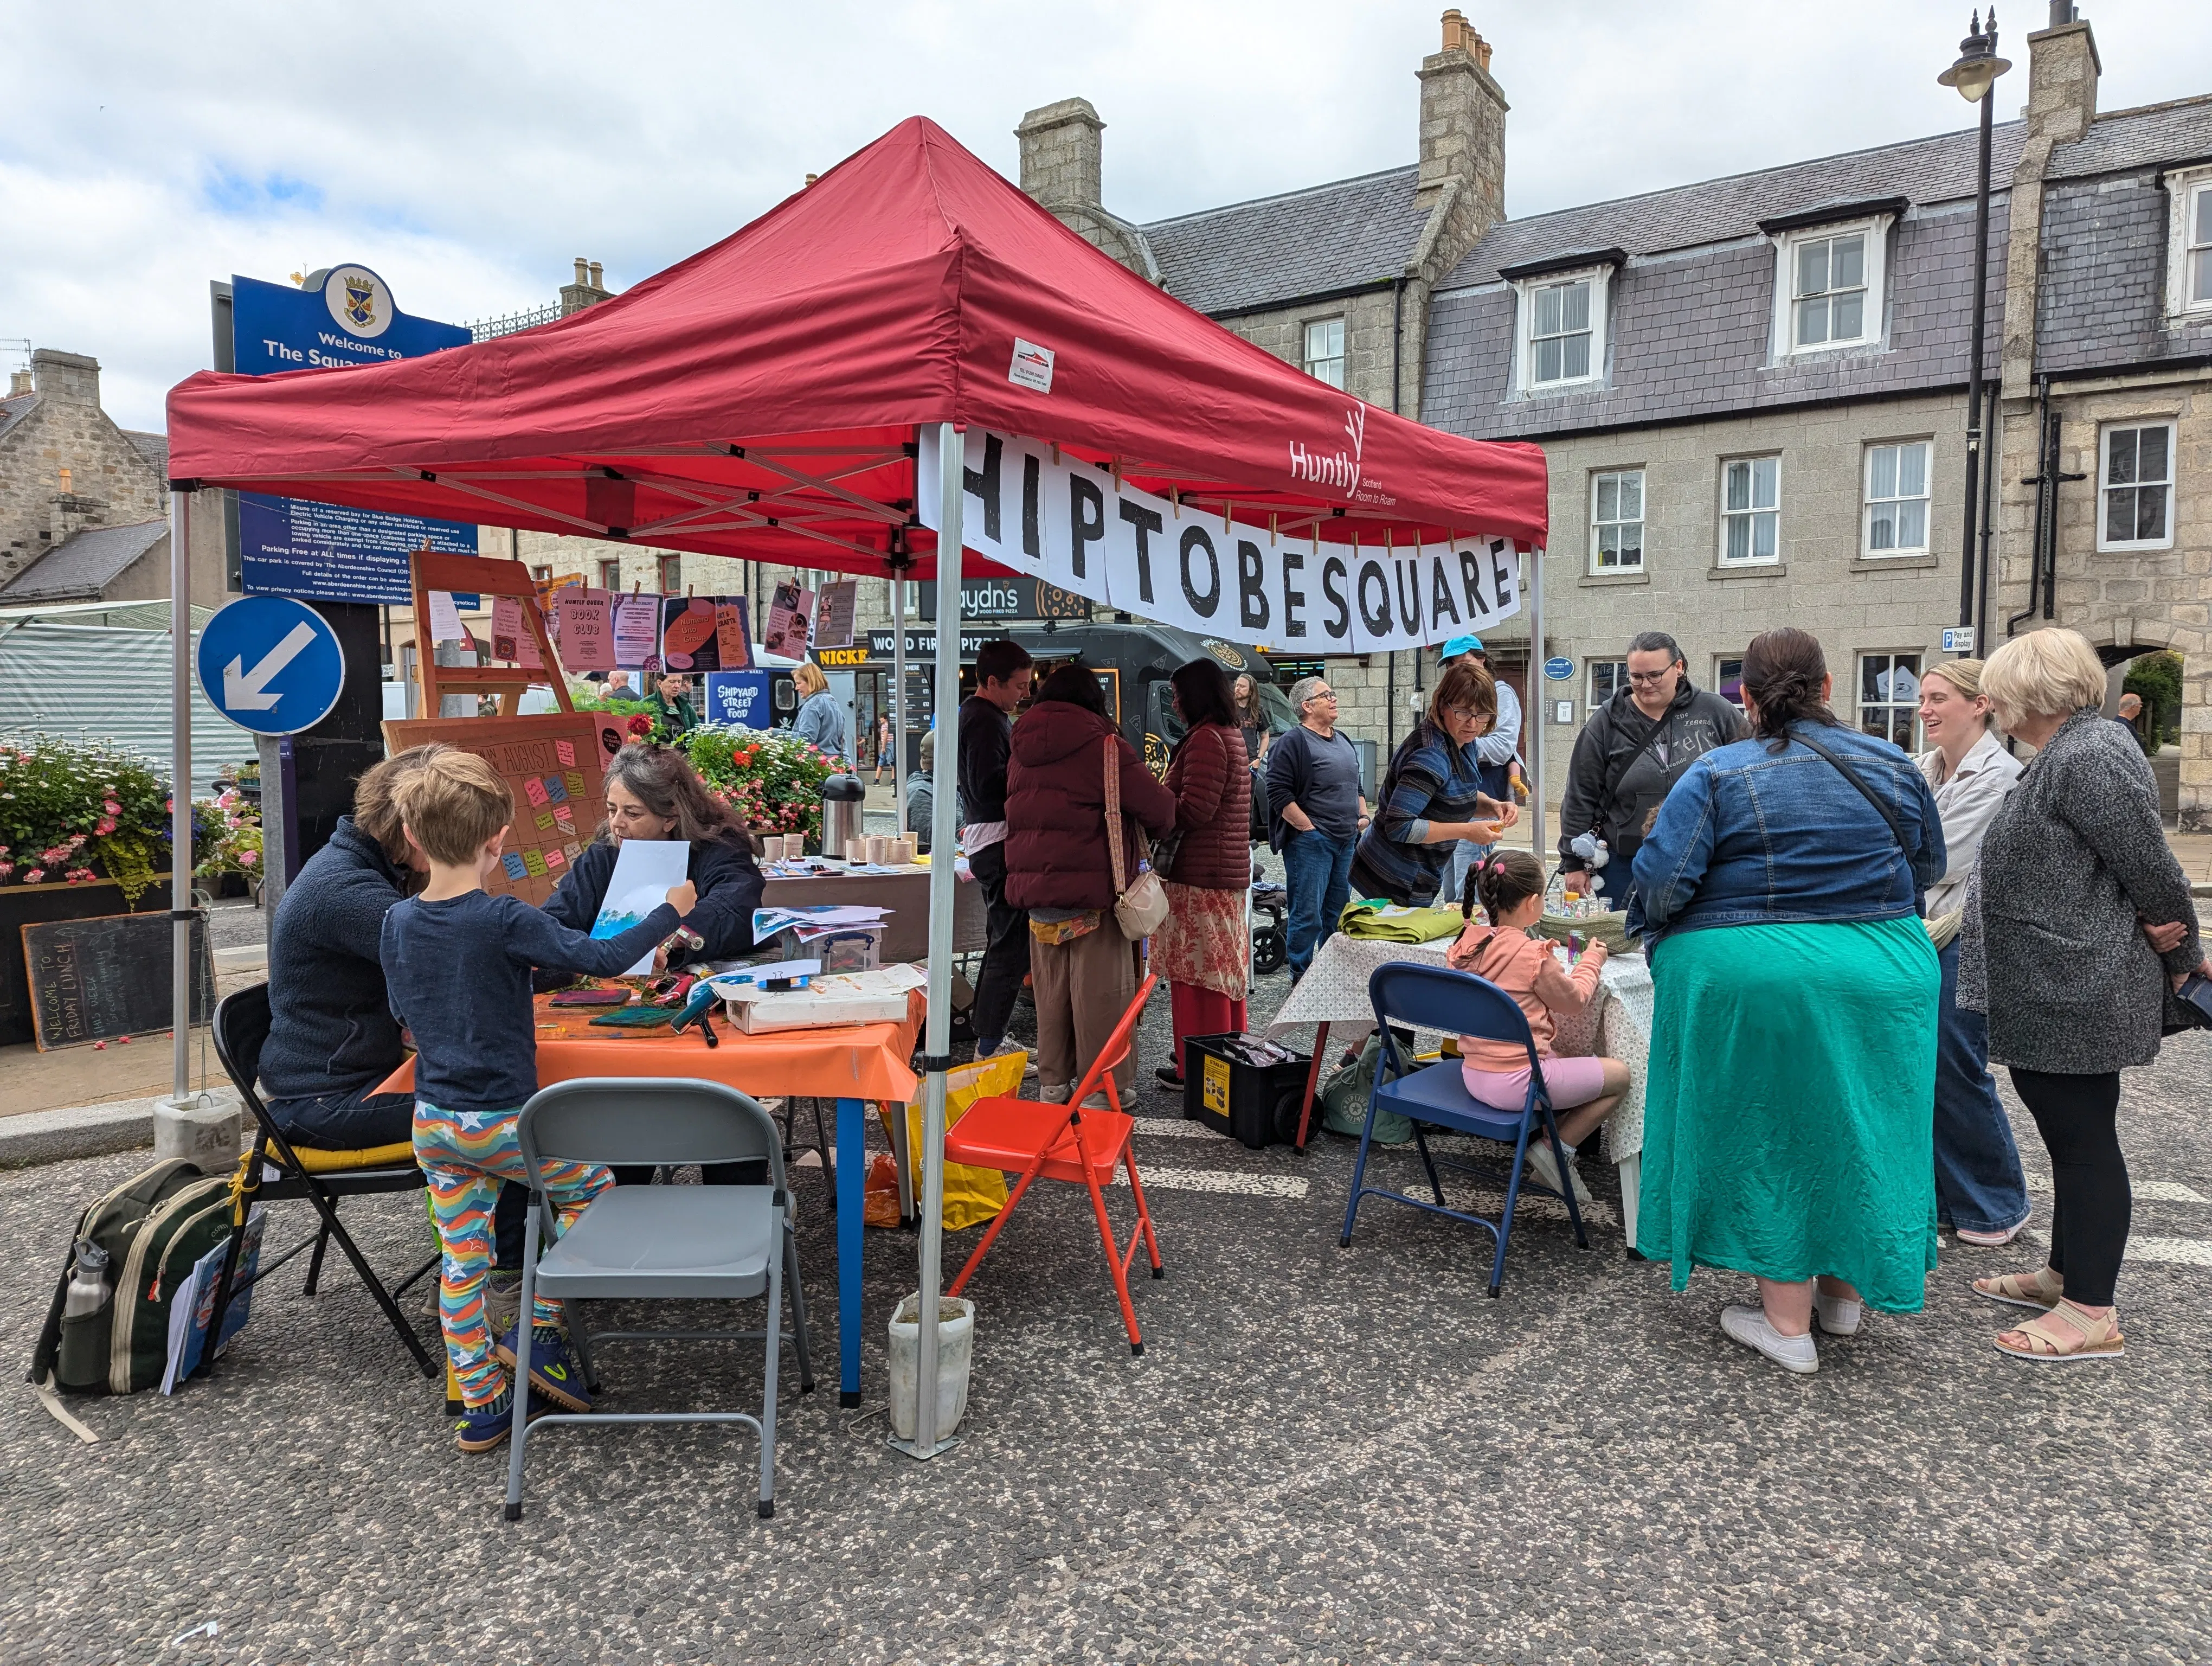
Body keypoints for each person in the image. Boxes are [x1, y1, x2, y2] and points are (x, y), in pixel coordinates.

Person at [1631, 627, 1946, 1375]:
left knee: (1776, 1129)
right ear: (1829, 687)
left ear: (1746, 698)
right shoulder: (1893, 765)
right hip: (1888, 967)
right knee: (1861, 1126)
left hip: (1760, 971)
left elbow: (1662, 881)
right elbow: (1928, 863)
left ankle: (1786, 1324)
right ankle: (1842, 1299)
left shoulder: (1718, 770)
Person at [381, 749, 697, 1451]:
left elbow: (403, 1007)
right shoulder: (501, 920)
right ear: (497, 839)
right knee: (596, 1191)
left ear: (412, 838)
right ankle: (540, 1331)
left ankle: (483, 1407)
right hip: (503, 1120)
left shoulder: (396, 921)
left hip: (435, 1123)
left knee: (463, 1263)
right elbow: (605, 957)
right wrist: (668, 912)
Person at [1959, 628, 2205, 1363]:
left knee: (2084, 1142)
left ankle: (2090, 1312)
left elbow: (2154, 871)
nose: (1988, 700)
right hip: (2059, 983)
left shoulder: (2088, 754)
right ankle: (2064, 1276)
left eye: (1995, 688)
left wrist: (2186, 958)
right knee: (2073, 1140)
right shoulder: (2071, 753)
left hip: (2077, 987)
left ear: (2031, 690)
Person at [1005, 663, 1177, 1103]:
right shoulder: (1104, 747)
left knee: (1052, 998)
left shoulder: (1020, 746)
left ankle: (1054, 1084)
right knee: (1102, 997)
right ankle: (1103, 1090)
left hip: (1037, 897)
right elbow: (1161, 811)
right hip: (1094, 896)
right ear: (1094, 701)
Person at [261, 746, 440, 1149]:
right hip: (324, 1102)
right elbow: (452, 958)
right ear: (414, 829)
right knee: (515, 1108)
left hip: (348, 1079)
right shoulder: (347, 891)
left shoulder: (360, 863)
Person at [1915, 660, 2032, 1247]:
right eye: (1923, 698)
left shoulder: (2000, 777)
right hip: (1921, 934)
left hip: (1966, 937)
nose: (1925, 709)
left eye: (1938, 698)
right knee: (1923, 1065)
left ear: (1979, 704)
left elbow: (1931, 857)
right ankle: (1948, 1197)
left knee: (1954, 1065)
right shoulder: (1924, 768)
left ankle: (1997, 1204)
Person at [1445, 848, 1629, 1209]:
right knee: (1621, 1075)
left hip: (1474, 1072)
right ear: (1532, 903)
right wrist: (1593, 958)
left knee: (1564, 1056)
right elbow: (1575, 1001)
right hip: (1518, 1085)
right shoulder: (1533, 955)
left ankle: (1551, 1138)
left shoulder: (1464, 944)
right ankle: (1553, 1150)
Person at [1558, 631, 1746, 910]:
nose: (1644, 685)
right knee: (1623, 948)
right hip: (1624, 863)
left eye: (1655, 675)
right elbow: (1579, 795)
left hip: (1704, 860)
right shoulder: (1605, 722)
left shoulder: (1715, 711)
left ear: (1679, 667)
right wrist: (1573, 864)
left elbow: (1748, 771)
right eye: (1636, 677)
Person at [539, 742, 764, 970]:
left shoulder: (718, 846)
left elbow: (736, 904)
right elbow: (558, 918)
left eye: (632, 813)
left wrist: (674, 936)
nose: (617, 822)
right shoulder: (603, 855)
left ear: (670, 818)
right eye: (611, 810)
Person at [1152, 659, 1252, 1088]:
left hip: (1201, 875)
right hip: (1218, 874)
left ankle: (1200, 1069)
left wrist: (1153, 805)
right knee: (1220, 974)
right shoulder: (1226, 734)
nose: (1175, 704)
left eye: (1178, 695)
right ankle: (1218, 1063)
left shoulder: (1207, 739)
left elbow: (1194, 809)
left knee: (1199, 978)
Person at [1349, 661, 1519, 908]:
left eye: (1482, 715)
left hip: (1419, 872)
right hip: (1393, 875)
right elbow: (1398, 825)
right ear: (1442, 706)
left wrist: (1494, 805)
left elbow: (1457, 797)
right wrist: (1467, 831)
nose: (1472, 724)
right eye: (1463, 712)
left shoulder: (1464, 743)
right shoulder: (1430, 755)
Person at [959, 639, 1037, 1063]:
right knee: (1010, 946)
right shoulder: (986, 720)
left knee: (1001, 942)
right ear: (992, 682)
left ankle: (989, 1037)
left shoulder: (980, 716)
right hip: (998, 841)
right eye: (1019, 686)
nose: (1024, 694)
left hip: (985, 838)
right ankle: (989, 1045)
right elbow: (987, 783)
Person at [1264, 675, 1370, 981]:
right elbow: (1278, 793)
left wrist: (1362, 816)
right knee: (1307, 913)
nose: (1334, 699)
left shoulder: (1343, 739)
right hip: (1312, 842)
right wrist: (1309, 828)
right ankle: (1302, 975)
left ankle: (1329, 975)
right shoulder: (1291, 743)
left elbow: (1356, 784)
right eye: (1327, 695)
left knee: (1337, 911)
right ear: (1307, 706)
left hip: (1346, 839)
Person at [1435, 635, 1522, 909]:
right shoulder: (1450, 698)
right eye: (1451, 665)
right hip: (1449, 806)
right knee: (1452, 894)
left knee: (1466, 894)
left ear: (1482, 660)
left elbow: (1503, 746)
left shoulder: (1501, 693)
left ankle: (1472, 948)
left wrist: (1459, 745)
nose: (1457, 670)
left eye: (1463, 662)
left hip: (1480, 806)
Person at [791, 661, 847, 762]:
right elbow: (842, 740)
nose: (796, 688)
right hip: (834, 764)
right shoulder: (832, 702)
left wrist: (776, 734)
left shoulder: (812, 706)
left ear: (811, 682)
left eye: (799, 683)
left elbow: (806, 739)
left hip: (818, 766)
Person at [1232, 673, 1274, 766]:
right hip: (1232, 761)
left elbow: (1265, 736)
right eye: (1237, 685)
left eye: (1242, 686)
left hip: (1251, 761)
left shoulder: (1258, 711)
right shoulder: (1228, 709)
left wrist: (1259, 759)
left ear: (1251, 692)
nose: (1238, 688)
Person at [644, 671, 698, 738]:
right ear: (660, 683)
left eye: (679, 681)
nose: (677, 686)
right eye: (672, 682)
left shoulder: (685, 706)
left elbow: (697, 732)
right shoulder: (647, 704)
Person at [873, 712, 895, 785]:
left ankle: (877, 781)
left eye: (881, 717)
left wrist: (883, 747)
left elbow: (885, 737)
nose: (880, 719)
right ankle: (893, 780)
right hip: (890, 745)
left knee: (883, 763)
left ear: (885, 718)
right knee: (891, 763)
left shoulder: (885, 726)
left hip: (887, 746)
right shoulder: (890, 726)